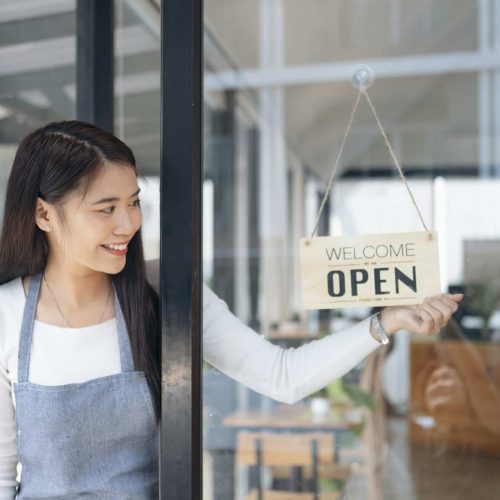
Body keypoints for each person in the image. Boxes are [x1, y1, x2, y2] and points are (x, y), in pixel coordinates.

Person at [0, 120, 462, 499]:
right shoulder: (5, 314)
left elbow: (283, 375)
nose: (128, 225)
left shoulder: (165, 293)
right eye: (106, 209)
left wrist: (385, 322)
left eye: (134, 203)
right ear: (44, 215)